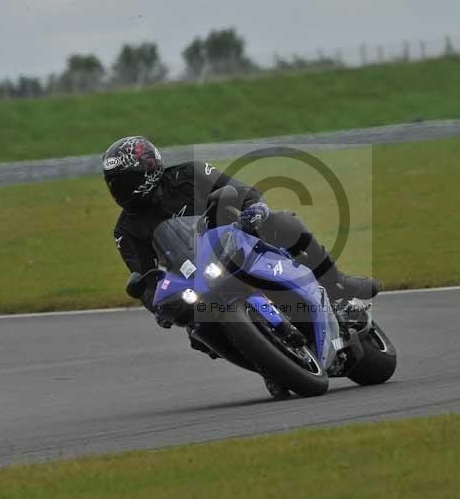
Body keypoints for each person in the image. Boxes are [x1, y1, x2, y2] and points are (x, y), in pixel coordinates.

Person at [103, 136, 379, 396]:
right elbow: (143, 280)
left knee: (284, 223)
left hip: (237, 242)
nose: (120, 190)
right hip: (195, 280)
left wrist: (254, 208)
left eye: (125, 181)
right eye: (114, 183)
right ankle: (269, 366)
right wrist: (159, 308)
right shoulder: (125, 230)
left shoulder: (189, 174)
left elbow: (244, 191)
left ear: (148, 169)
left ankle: (336, 283)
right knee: (197, 333)